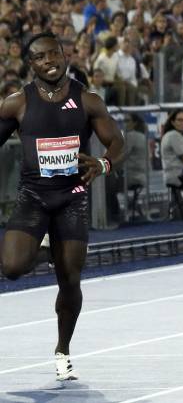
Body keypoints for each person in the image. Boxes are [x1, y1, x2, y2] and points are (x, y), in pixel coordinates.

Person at [0, 32, 125, 380]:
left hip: (71, 198)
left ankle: (62, 350)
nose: (49, 61)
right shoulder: (16, 103)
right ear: (31, 64)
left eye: (54, 53)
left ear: (64, 55)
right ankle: (44, 244)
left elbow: (117, 141)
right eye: (40, 57)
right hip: (33, 197)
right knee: (10, 267)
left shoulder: (88, 100)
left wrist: (103, 164)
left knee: (70, 279)